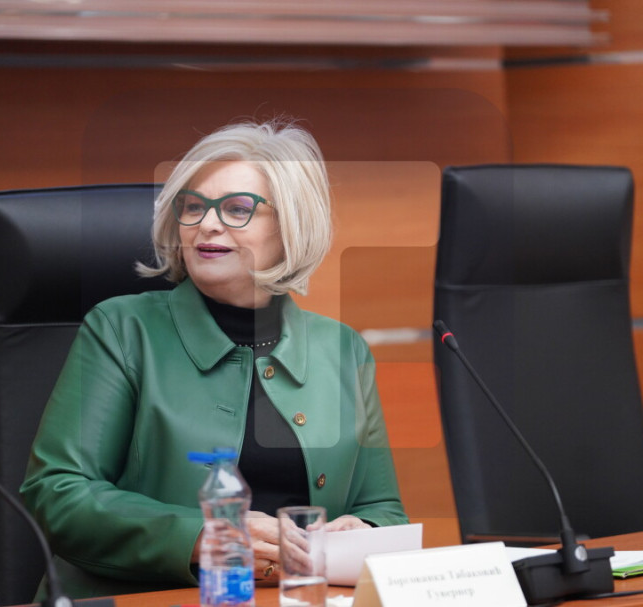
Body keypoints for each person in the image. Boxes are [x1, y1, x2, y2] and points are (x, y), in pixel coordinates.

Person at [20, 117, 408, 600]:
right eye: (193, 206)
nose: (206, 224)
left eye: (238, 209)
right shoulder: (121, 329)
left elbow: (384, 508)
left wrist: (362, 530)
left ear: (291, 226)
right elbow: (57, 491)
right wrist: (199, 537)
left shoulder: (343, 348)